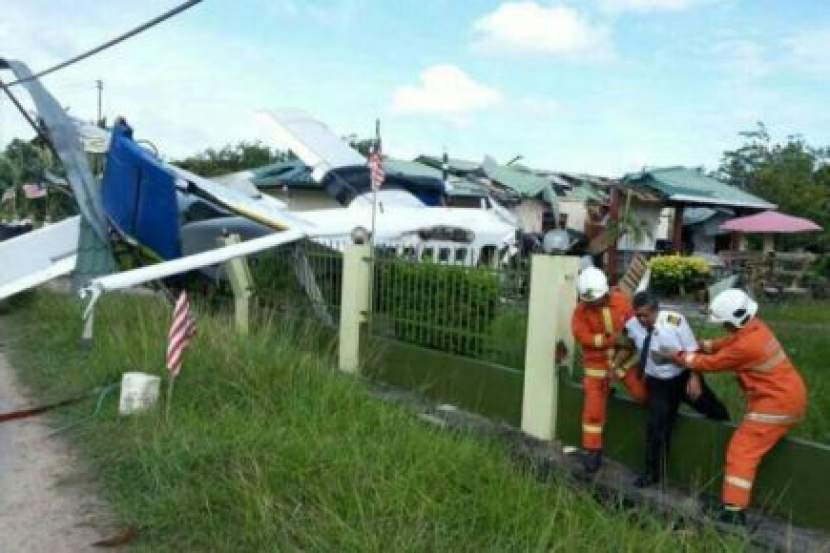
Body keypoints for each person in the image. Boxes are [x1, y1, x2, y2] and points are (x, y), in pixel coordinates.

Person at [669, 288, 807, 525]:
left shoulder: (746, 346)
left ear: (733, 320)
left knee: (741, 450)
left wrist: (680, 356)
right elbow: (730, 342)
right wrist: (705, 344)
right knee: (750, 447)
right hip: (787, 397)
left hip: (776, 403)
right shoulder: (755, 328)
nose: (723, 326)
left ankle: (734, 511)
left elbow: (713, 364)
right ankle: (734, 505)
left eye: (724, 322)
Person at [625, 291, 729, 489]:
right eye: (638, 315)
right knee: (656, 428)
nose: (642, 320)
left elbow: (693, 350)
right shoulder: (632, 325)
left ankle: (727, 434)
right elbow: (626, 343)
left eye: (645, 315)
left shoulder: (675, 322)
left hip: (682, 376)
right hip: (658, 383)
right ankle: (653, 473)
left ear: (656, 310)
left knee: (712, 407)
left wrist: (694, 378)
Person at [571, 267, 647, 473]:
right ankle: (592, 451)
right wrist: (611, 340)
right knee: (593, 409)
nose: (592, 304)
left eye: (595, 300)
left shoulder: (622, 302)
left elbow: (636, 330)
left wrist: (622, 352)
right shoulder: (581, 311)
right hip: (596, 365)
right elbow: (582, 337)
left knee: (642, 394)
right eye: (588, 301)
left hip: (624, 360)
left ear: (605, 292)